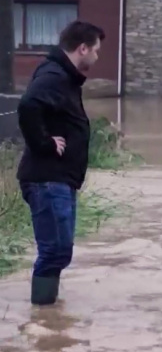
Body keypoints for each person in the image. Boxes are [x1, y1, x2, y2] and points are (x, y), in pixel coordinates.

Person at [16, 20, 106, 306]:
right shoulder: (54, 75)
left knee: (60, 251)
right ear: (82, 48)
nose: (97, 57)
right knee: (54, 250)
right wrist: (44, 143)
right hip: (46, 178)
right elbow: (28, 105)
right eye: (96, 51)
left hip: (59, 179)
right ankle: (41, 316)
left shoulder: (63, 76)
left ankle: (47, 320)